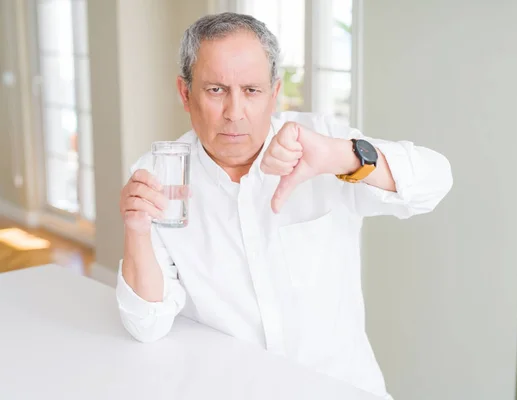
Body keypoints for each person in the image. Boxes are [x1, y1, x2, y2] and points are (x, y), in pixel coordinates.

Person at [117, 12, 452, 399]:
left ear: (275, 93)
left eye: (252, 91)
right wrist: (137, 230)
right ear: (184, 92)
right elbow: (146, 325)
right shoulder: (158, 174)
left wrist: (340, 157)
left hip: (342, 389)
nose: (234, 112)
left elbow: (436, 181)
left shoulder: (325, 142)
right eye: (215, 90)